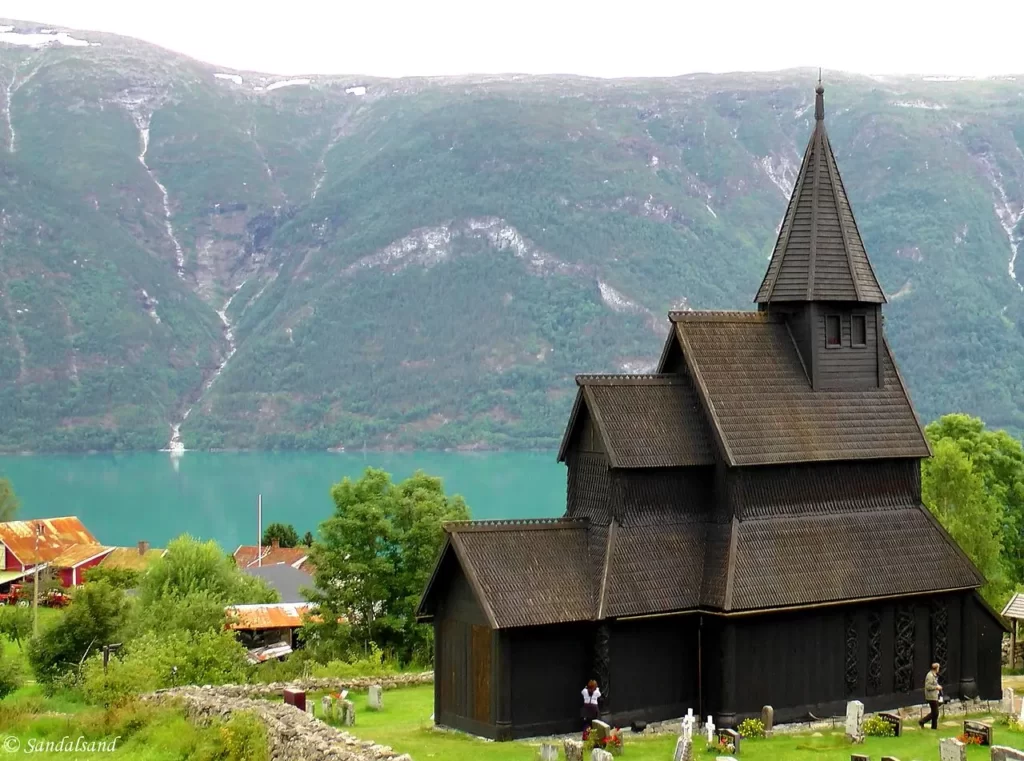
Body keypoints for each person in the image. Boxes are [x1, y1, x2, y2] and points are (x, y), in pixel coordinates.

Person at [918, 662, 943, 729]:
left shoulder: (934, 675)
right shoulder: (930, 675)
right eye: (938, 668)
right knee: (935, 713)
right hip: (931, 697)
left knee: (935, 712)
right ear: (936, 668)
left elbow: (933, 684)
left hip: (934, 696)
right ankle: (922, 721)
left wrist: (937, 686)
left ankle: (934, 727)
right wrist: (936, 687)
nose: (939, 669)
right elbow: (928, 686)